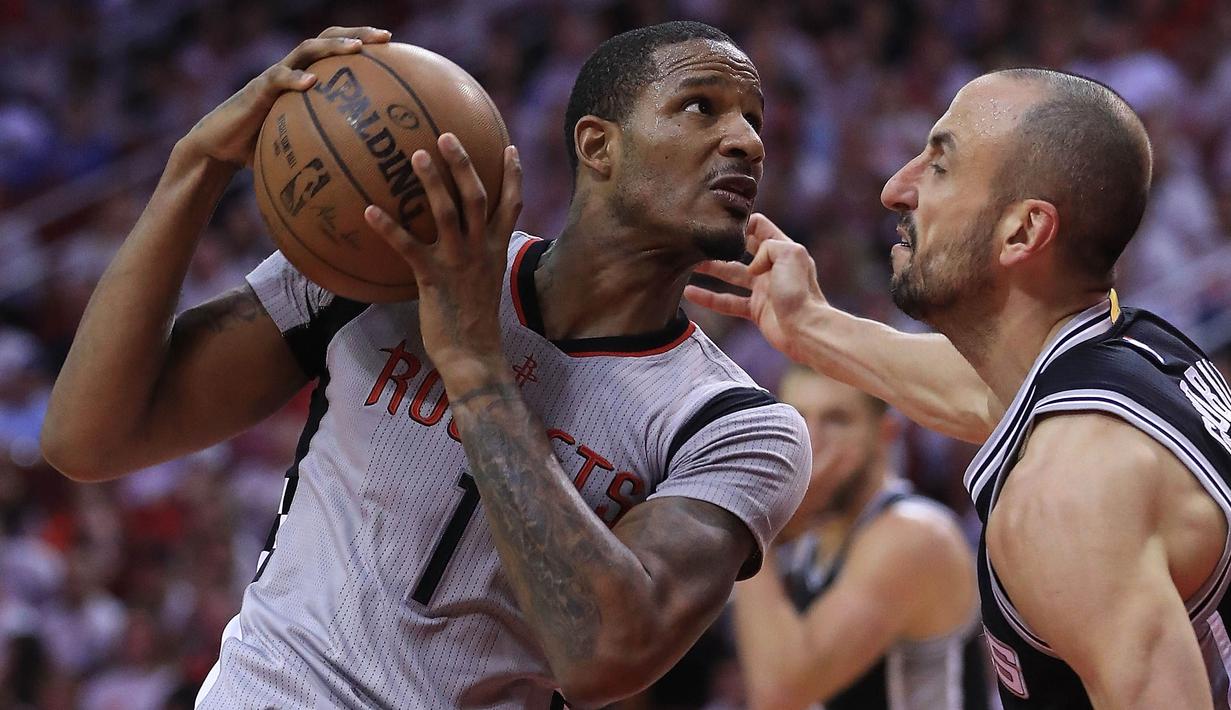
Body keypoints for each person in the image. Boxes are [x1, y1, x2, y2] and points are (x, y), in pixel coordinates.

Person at [40, 22, 810, 710]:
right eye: (702, 106)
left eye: (753, 119)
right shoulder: (387, 264)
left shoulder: (736, 427)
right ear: (596, 145)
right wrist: (196, 167)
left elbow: (604, 656)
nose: (746, 140)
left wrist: (474, 366)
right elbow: (89, 440)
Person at [688, 67, 1231, 709]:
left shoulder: (1066, 499)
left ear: (1023, 231)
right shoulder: (1137, 353)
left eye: (939, 167)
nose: (896, 188)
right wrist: (809, 324)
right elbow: (971, 391)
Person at [733, 365, 987, 710]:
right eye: (798, 419)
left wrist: (756, 521)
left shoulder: (913, 536)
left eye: (836, 420)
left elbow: (779, 694)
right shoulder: (813, 531)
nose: (811, 440)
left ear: (886, 433)